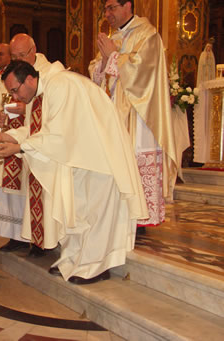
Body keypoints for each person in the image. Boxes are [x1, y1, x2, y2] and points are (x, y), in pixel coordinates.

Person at [0, 60, 148, 284]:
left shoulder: (62, 85)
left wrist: (19, 148)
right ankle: (73, 260)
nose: (15, 97)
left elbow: (58, 135)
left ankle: (95, 266)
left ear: (30, 79)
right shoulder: (41, 92)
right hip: (79, 158)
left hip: (99, 158)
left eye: (15, 90)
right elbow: (37, 130)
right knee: (78, 212)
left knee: (94, 214)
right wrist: (5, 137)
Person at [89, 0, 177, 233]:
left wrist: (113, 57)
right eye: (105, 9)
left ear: (127, 5)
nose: (107, 14)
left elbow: (143, 71)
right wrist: (106, 60)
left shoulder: (148, 35)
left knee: (134, 162)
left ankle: (139, 220)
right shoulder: (113, 38)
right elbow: (96, 73)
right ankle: (117, 217)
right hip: (113, 115)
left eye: (112, 8)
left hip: (139, 116)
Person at [0, 33, 64, 257]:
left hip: (39, 147)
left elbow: (47, 124)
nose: (19, 59)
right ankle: (17, 236)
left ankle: (42, 240)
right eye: (15, 55)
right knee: (13, 192)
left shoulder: (50, 75)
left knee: (41, 192)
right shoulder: (10, 75)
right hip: (22, 138)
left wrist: (24, 109)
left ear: (34, 50)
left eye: (22, 54)